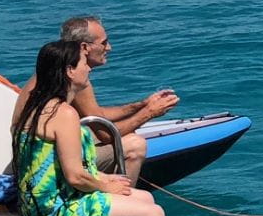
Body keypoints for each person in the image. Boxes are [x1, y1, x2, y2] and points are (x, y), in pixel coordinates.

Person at [11, 40, 212, 216]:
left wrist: (106, 182)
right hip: (53, 212)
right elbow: (74, 176)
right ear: (69, 71)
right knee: (154, 213)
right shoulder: (63, 114)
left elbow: (60, 169)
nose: (89, 69)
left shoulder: (42, 105)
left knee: (146, 198)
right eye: (84, 63)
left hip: (42, 204)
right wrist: (106, 184)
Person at [18, 15, 179, 185]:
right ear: (85, 47)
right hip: (39, 161)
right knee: (135, 145)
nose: (109, 48)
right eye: (104, 43)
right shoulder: (72, 78)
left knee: (126, 133)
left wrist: (140, 105)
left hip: (31, 151)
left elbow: (97, 114)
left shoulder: (58, 67)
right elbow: (106, 135)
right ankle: (123, 199)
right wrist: (149, 113)